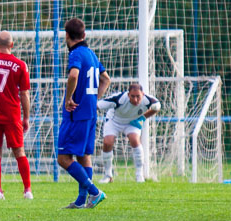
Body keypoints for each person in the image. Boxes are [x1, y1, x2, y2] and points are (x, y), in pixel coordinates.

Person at [57, 17, 111, 209]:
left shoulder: (76, 53)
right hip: (90, 111)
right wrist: (94, 99)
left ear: (67, 35)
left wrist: (68, 98)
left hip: (76, 112)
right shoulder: (91, 53)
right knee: (84, 155)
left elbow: (73, 75)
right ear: (84, 34)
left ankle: (95, 192)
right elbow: (106, 79)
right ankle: (82, 200)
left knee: (63, 158)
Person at [0, 31, 33, 200]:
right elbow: (24, 94)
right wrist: (26, 117)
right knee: (19, 151)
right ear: (12, 45)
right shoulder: (21, 65)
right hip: (12, 114)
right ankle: (27, 190)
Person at [98, 83, 161, 183]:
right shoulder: (119, 98)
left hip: (132, 122)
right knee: (107, 142)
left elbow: (156, 108)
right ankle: (108, 175)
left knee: (135, 140)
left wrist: (143, 118)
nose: (135, 99)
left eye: (138, 96)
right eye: (132, 96)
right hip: (114, 121)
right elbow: (98, 105)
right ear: (128, 95)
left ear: (143, 94)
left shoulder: (149, 101)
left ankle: (139, 175)